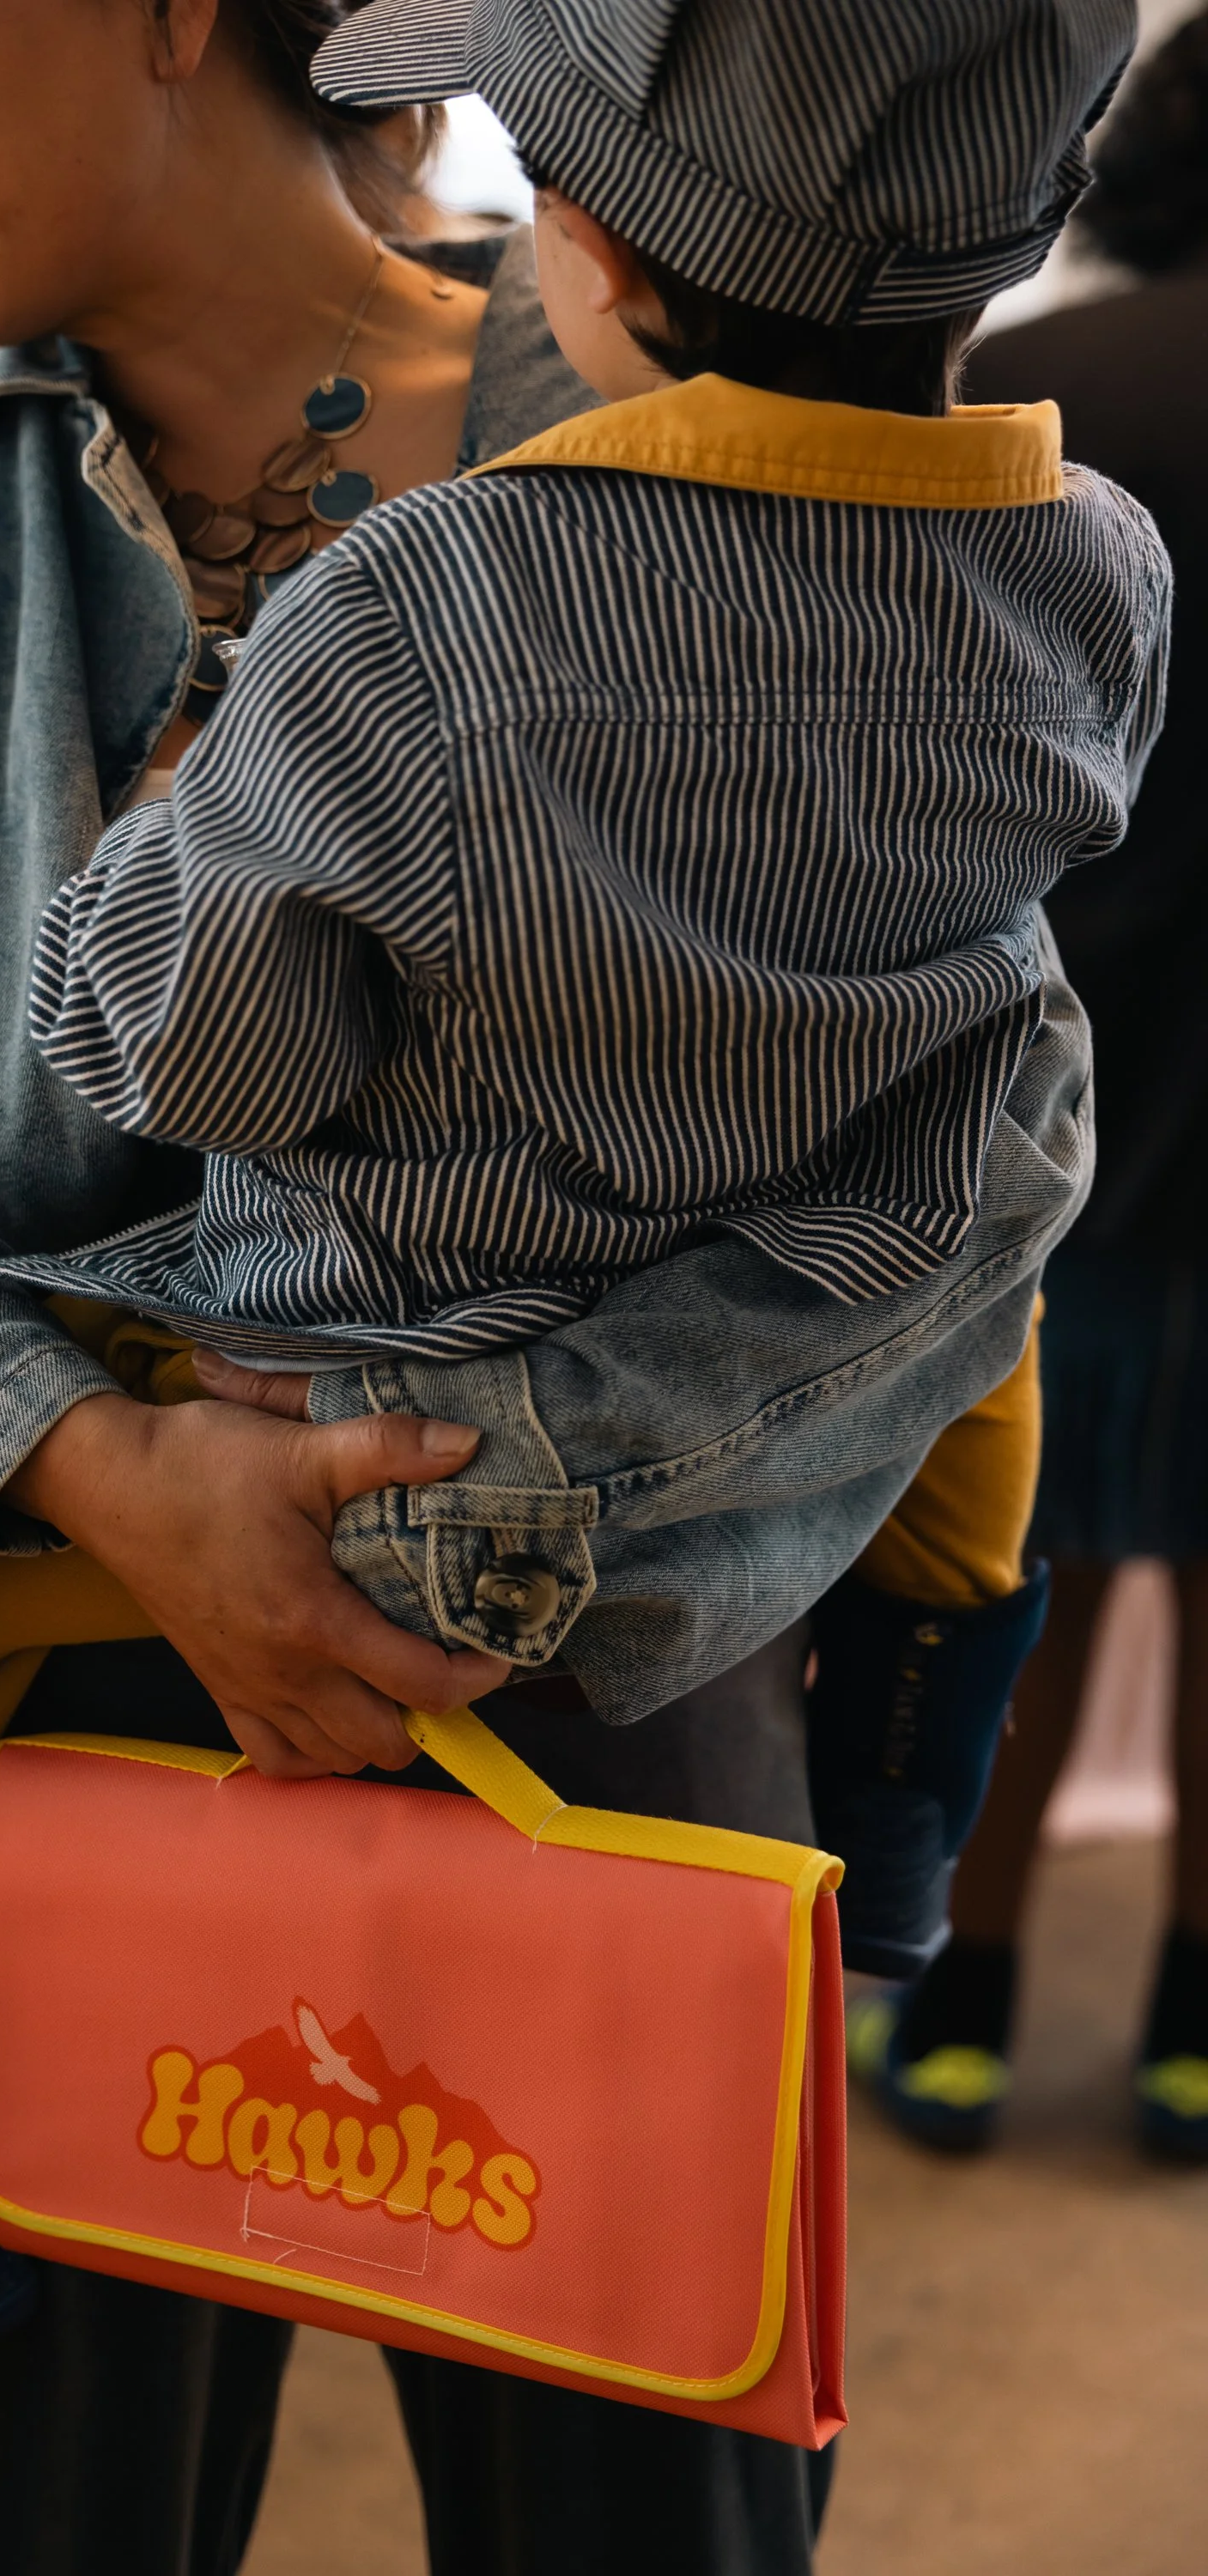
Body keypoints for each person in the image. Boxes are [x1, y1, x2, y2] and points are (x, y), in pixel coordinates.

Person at [0, 0, 1120, 2563]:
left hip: (605, 1664)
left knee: (642, 2488)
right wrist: (107, 1467)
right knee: (26, 2512)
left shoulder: (712, 435)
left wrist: (508, 1487)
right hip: (18, 1694)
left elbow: (969, 1111)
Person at [851, 6, 1208, 2167]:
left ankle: (962, 2000)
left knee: (1016, 1546)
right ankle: (1189, 2035)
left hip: (1046, 1063)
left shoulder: (1027, 393)